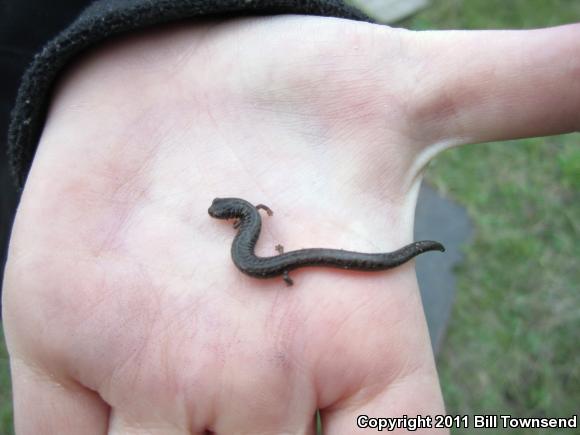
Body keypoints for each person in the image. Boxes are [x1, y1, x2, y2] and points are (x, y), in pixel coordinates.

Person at [2, 1, 579, 433]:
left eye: (226, 213)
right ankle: (398, 255)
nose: (223, 216)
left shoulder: (249, 228)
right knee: (331, 261)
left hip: (272, 263)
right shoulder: (250, 223)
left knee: (351, 262)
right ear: (239, 221)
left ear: (235, 219)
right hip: (263, 261)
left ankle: (408, 252)